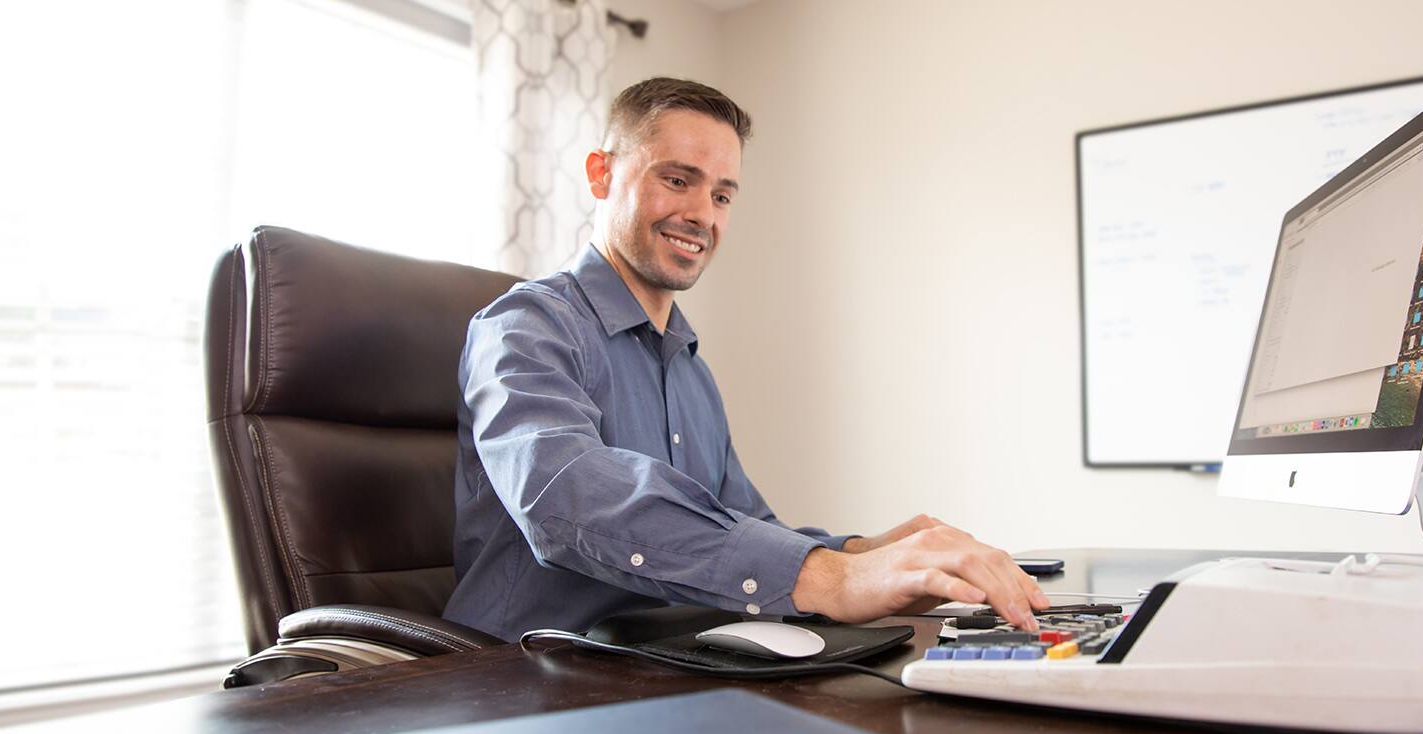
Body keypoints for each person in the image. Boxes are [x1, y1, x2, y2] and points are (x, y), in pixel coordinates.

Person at [443, 77, 1049, 641]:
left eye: (722, 194)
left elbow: (740, 526)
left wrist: (871, 555)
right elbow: (565, 496)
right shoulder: (526, 325)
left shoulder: (689, 368)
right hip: (528, 677)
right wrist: (835, 580)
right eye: (677, 181)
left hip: (674, 664)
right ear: (601, 174)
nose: (703, 215)